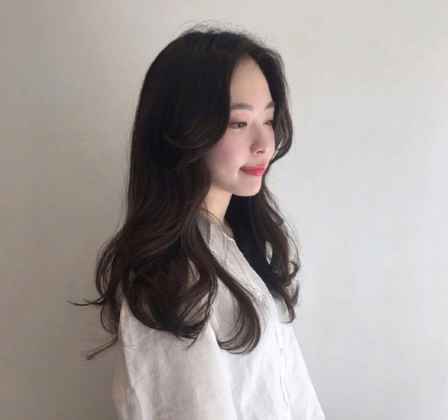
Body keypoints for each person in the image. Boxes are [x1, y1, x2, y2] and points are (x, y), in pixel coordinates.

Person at [71, 23, 326, 419]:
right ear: (185, 131)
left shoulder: (236, 243)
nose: (264, 144)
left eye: (269, 119)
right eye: (238, 123)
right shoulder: (172, 278)